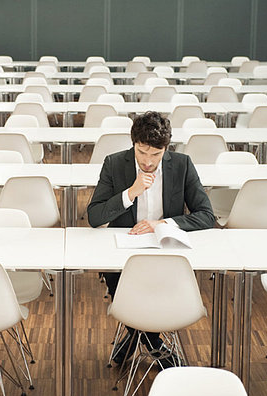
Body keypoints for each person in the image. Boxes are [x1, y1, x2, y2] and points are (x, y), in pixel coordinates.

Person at [87, 111, 215, 366]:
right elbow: (94, 216)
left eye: (155, 154)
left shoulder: (182, 164)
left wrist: (164, 223)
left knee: (149, 296)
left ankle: (134, 338)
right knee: (127, 289)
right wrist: (130, 193)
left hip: (168, 255)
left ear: (166, 149)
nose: (147, 161)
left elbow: (207, 215)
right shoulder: (114, 163)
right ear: (133, 144)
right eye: (141, 152)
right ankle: (156, 346)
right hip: (124, 259)